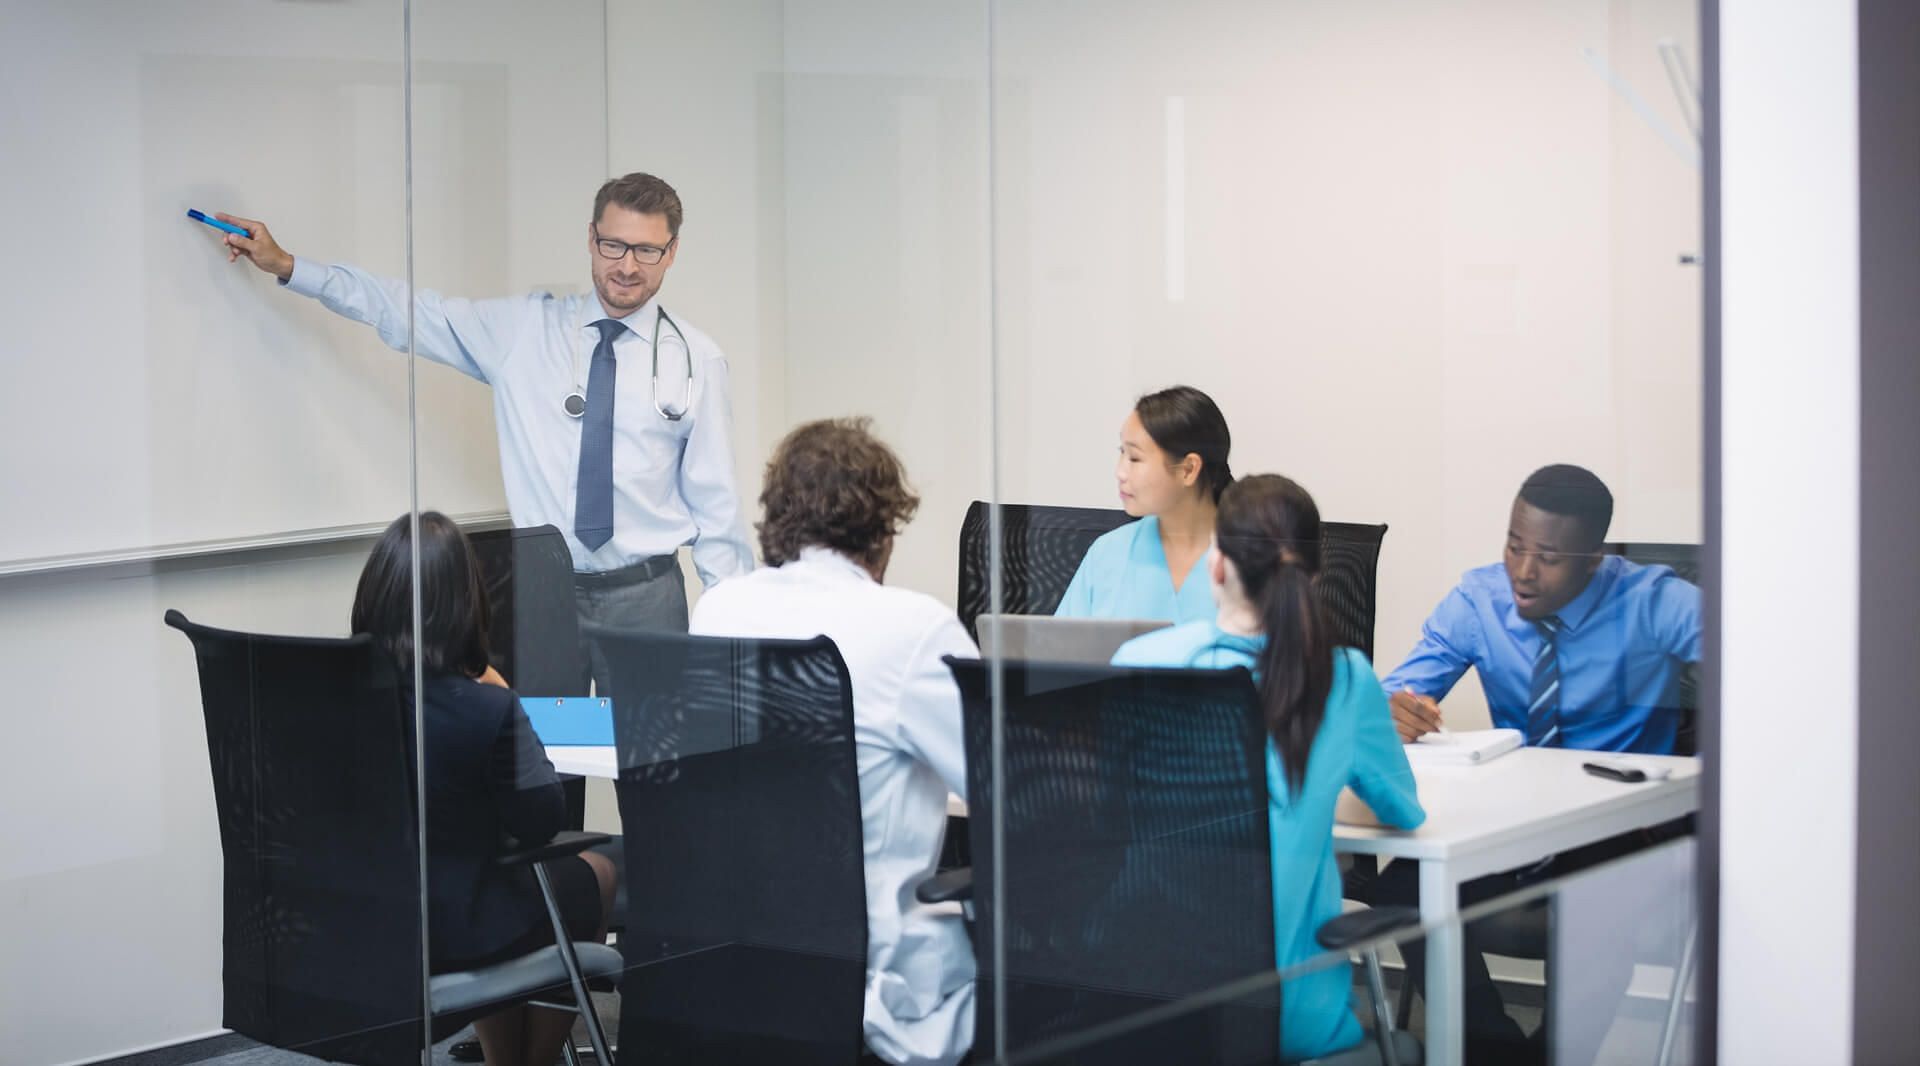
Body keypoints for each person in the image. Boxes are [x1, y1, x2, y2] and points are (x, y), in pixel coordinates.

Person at [218, 172, 754, 693]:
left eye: (647, 250)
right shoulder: (523, 332)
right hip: (543, 601)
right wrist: (290, 266)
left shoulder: (696, 358)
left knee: (653, 770)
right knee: (543, 767)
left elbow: (716, 506)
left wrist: (737, 632)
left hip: (646, 602)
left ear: (673, 251)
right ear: (591, 239)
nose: (628, 266)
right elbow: (408, 312)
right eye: (614, 245)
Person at [1374, 464, 1703, 1064]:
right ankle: (1496, 1052)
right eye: (1514, 546)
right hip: (1515, 822)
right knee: (1402, 886)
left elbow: (1764, 661)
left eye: (1548, 557)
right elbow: (1391, 697)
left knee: (1600, 899)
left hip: (1620, 827)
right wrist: (1396, 711)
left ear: (1594, 557)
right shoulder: (1480, 599)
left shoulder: (1652, 600)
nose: (1523, 572)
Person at [689, 418, 977, 1066]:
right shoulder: (914, 627)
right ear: (883, 527)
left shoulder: (719, 610)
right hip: (870, 988)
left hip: (730, 971)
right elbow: (1006, 785)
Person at [1112, 474, 1424, 1062]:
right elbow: (1403, 810)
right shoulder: (1344, 678)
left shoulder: (1139, 661)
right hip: (1287, 1023)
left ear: (1216, 565)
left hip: (1144, 1016)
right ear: (1315, 578)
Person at [350, 511, 619, 1066]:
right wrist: (504, 692)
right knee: (596, 871)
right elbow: (541, 819)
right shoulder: (483, 706)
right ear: (463, 605)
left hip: (368, 922)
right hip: (456, 929)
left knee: (504, 882)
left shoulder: (342, 701)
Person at [1055, 385, 1233, 623]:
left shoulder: (1252, 558)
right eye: (1122, 453)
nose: (1120, 472)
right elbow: (1058, 651)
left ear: (1188, 469)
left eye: (1135, 458)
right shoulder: (1108, 553)